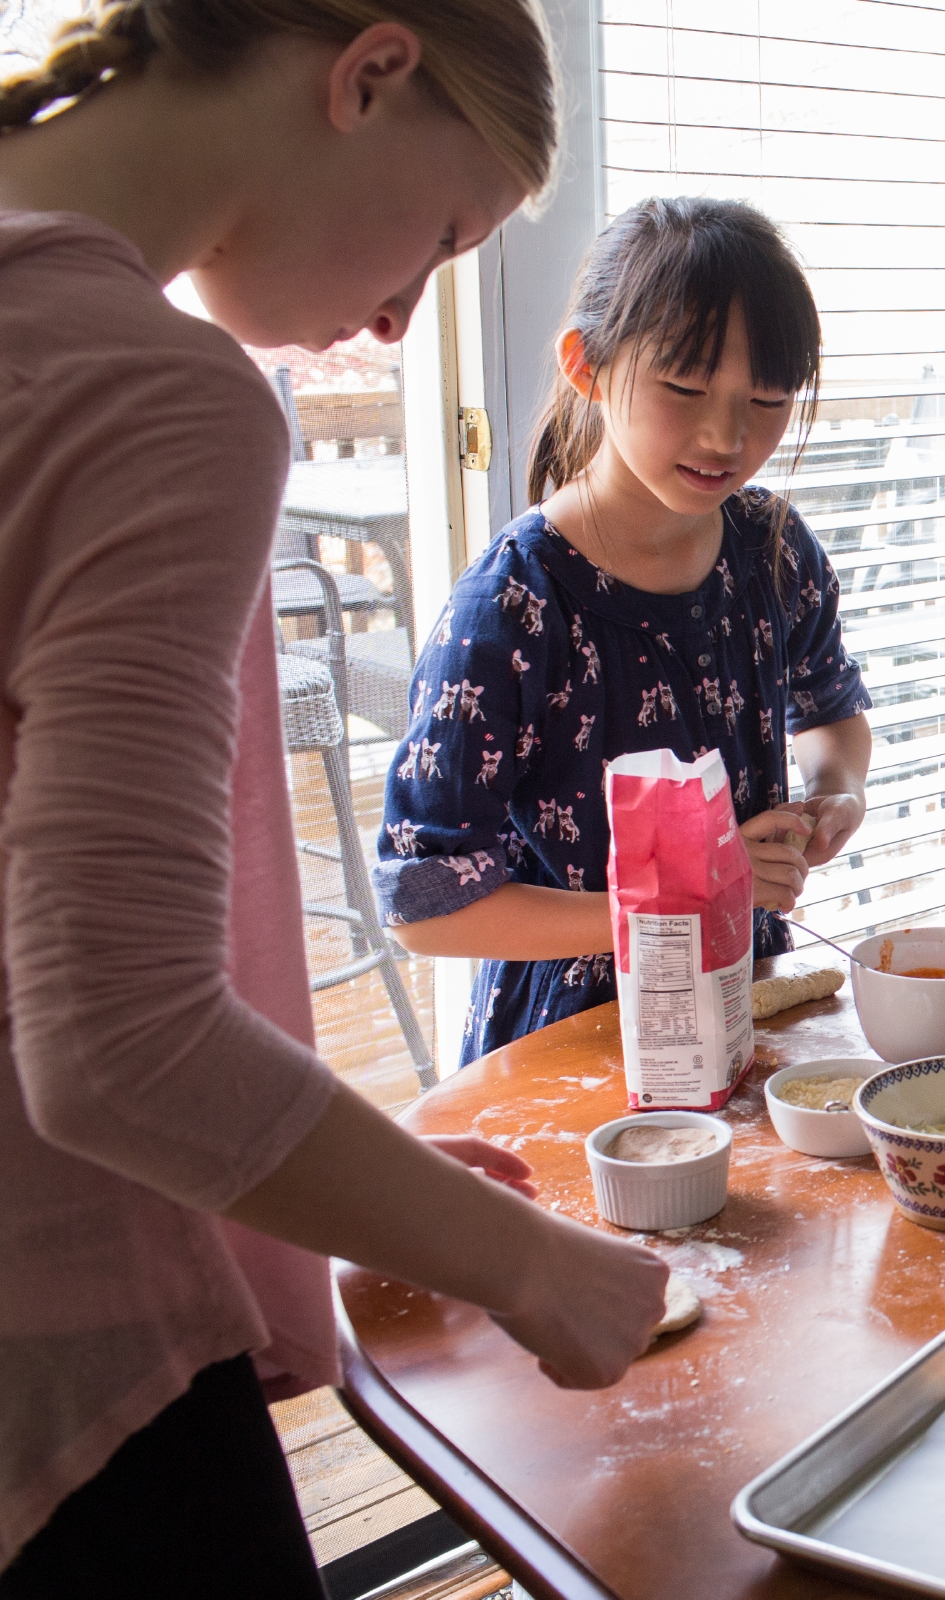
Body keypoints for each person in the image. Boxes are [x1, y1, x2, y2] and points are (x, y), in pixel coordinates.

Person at [0, 3, 671, 1593]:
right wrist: (530, 1267)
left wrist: (352, 1170)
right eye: (442, 237)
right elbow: (115, 1050)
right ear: (367, 77)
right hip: (64, 1372)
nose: (393, 323)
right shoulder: (147, 388)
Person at [374, 196, 873, 1063]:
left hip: (739, 1008)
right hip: (574, 1042)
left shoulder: (774, 550)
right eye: (685, 387)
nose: (727, 435)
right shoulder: (514, 605)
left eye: (766, 399)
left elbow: (830, 712)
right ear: (587, 366)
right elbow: (425, 904)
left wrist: (838, 792)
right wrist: (685, 898)